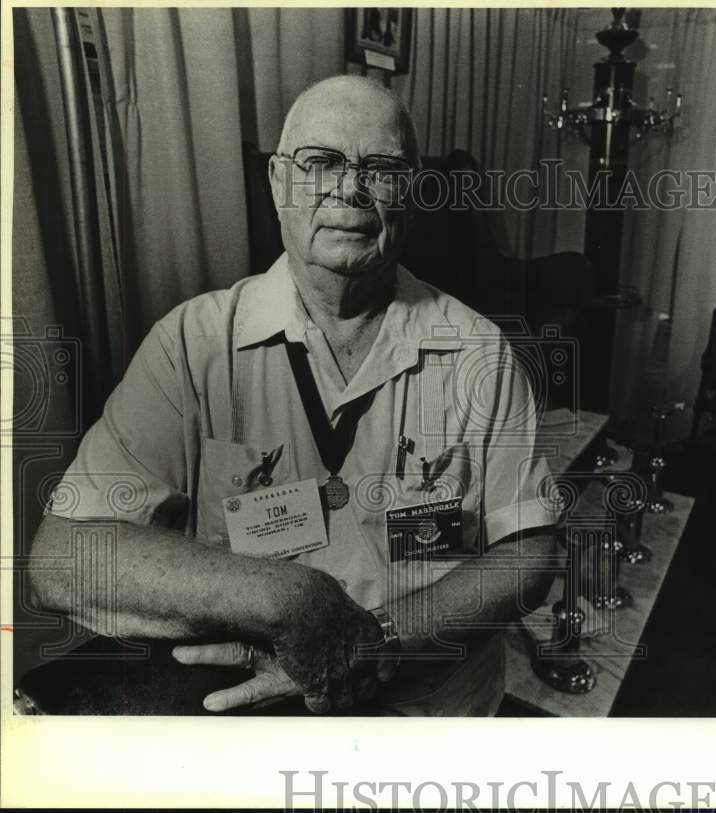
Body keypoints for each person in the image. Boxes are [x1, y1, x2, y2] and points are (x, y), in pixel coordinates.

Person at [28, 76, 560, 716]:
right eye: (321, 163)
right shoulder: (192, 344)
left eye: (382, 169)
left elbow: (528, 554)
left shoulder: (479, 352)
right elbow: (63, 558)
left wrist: (380, 642)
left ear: (413, 195)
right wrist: (289, 599)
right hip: (255, 714)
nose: (351, 189)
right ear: (279, 184)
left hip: (429, 716)